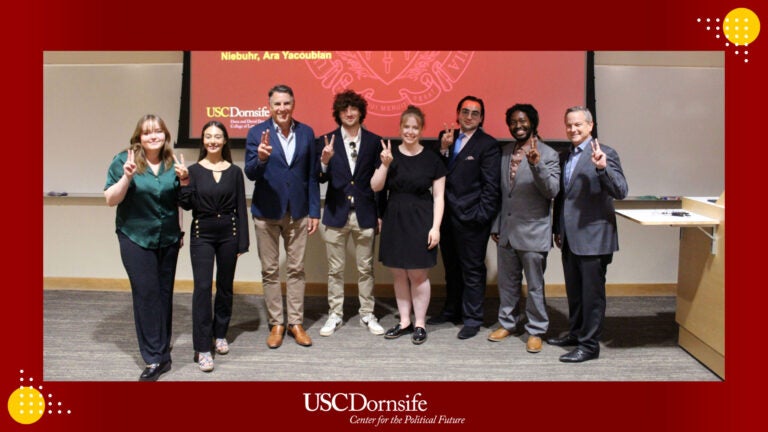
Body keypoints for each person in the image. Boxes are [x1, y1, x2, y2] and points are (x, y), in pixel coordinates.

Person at [104, 114, 186, 381]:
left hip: (168, 238)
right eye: (148, 132)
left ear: (166, 135)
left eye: (158, 131)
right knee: (146, 295)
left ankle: (163, 352)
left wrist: (180, 230)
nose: (153, 136)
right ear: (139, 137)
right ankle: (153, 359)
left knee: (164, 294)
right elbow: (110, 199)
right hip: (135, 238)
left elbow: (176, 202)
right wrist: (126, 178)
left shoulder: (172, 163)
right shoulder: (123, 160)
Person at [549, 106, 628, 362]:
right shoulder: (565, 156)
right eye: (569, 125)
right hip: (569, 238)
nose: (573, 129)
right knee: (575, 292)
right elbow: (562, 198)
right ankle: (576, 333)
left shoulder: (605, 153)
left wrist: (603, 168)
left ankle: (589, 346)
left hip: (595, 238)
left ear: (590, 126)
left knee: (592, 295)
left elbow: (621, 191)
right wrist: (557, 228)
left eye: (578, 125)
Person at [244, 84, 320, 349]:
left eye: (286, 103)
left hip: (298, 212)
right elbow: (250, 173)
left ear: (293, 104)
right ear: (269, 107)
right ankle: (276, 323)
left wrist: (314, 210)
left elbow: (312, 176)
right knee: (270, 270)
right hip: (266, 213)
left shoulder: (307, 133)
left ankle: (295, 323)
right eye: (277, 104)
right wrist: (261, 158)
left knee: (296, 269)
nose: (282, 108)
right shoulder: (256, 133)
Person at [488, 104, 560, 353]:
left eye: (523, 121)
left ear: (533, 123)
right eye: (513, 122)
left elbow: (552, 191)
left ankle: (536, 330)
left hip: (534, 233)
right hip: (507, 231)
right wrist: (497, 224)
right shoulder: (505, 152)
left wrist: (537, 165)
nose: (518, 126)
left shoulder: (549, 154)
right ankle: (507, 323)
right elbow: (503, 194)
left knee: (535, 286)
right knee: (507, 284)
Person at [427, 96, 501, 340]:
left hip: (472, 219)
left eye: (475, 113)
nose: (469, 116)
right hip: (446, 217)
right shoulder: (447, 137)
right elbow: (436, 171)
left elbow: (491, 186)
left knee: (472, 270)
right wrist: (443, 149)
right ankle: (452, 311)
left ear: (481, 118)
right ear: (458, 114)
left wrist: (481, 216)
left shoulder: (488, 144)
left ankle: (472, 319)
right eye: (465, 111)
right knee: (451, 268)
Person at [178, 121, 249, 372]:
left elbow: (241, 208)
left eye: (217, 137)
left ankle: (220, 333)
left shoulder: (235, 172)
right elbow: (186, 205)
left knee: (225, 287)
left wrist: (243, 241)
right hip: (202, 234)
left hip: (229, 233)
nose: (213, 141)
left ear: (225, 140)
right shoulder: (193, 171)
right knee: (202, 288)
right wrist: (184, 181)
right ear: (203, 141)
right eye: (208, 137)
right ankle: (202, 347)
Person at [371, 105, 445, 345]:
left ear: (421, 130)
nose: (410, 131)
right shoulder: (389, 155)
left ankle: (420, 323)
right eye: (406, 127)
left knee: (418, 274)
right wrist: (384, 165)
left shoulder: (432, 158)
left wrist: (435, 228)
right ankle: (404, 322)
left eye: (415, 127)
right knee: (399, 273)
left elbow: (439, 197)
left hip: (422, 219)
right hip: (394, 219)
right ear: (400, 128)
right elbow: (375, 186)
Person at [316, 90, 385, 337]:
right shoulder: (326, 141)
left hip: (365, 213)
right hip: (336, 213)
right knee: (335, 270)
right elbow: (318, 177)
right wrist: (324, 161)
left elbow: (381, 183)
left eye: (353, 108)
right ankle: (335, 313)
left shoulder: (375, 141)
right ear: (338, 113)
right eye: (344, 109)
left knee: (365, 269)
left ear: (360, 112)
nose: (349, 113)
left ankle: (367, 312)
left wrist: (380, 214)